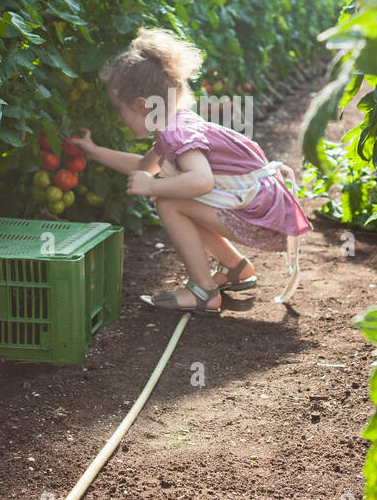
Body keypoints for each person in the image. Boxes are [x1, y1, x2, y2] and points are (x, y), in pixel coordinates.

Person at [64, 28, 311, 315]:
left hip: (264, 218)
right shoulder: (175, 126)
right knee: (176, 198)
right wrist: (94, 151)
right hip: (263, 210)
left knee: (169, 202)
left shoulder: (176, 133)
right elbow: (143, 167)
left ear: (141, 106)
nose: (119, 117)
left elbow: (201, 181)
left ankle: (204, 292)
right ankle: (236, 268)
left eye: (120, 109)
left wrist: (153, 188)